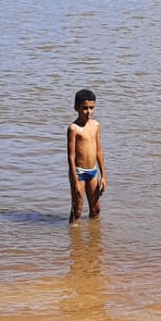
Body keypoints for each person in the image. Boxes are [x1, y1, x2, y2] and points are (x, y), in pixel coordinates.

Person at [67, 88, 107, 221]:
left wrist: (103, 176)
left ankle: (93, 237)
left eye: (92, 108)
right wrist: (75, 181)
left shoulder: (96, 125)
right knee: (77, 210)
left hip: (93, 172)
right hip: (79, 173)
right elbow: (71, 157)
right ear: (76, 107)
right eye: (85, 108)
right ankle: (74, 236)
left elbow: (99, 151)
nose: (89, 111)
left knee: (96, 209)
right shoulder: (74, 128)